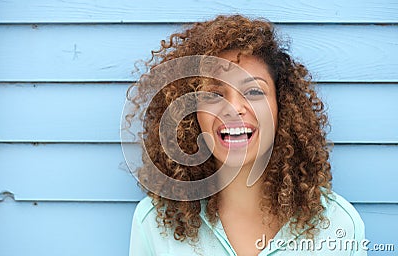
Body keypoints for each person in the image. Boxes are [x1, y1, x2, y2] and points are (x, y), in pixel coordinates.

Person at [126, 15, 366, 256]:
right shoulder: (154, 223)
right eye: (214, 94)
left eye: (253, 91)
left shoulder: (339, 225)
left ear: (282, 106)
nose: (233, 108)